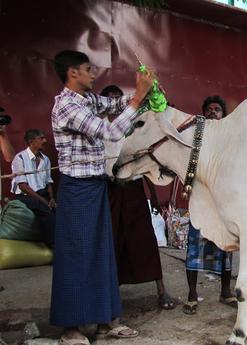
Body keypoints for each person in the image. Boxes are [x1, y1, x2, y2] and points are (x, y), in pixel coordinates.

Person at [50, 50, 153, 345]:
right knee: (76, 257)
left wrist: (142, 90)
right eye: (87, 69)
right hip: (76, 190)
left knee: (102, 254)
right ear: (72, 73)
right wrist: (136, 101)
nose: (93, 73)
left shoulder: (88, 100)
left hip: (95, 186)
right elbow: (108, 131)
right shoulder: (67, 106)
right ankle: (70, 329)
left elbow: (114, 104)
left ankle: (107, 320)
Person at [101, 84, 175, 310]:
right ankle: (110, 297)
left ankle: (161, 290)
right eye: (109, 98)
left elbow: (143, 159)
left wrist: (152, 194)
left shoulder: (132, 127)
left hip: (133, 190)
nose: (115, 102)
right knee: (112, 242)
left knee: (145, 240)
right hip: (110, 190)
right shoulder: (100, 128)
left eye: (117, 98)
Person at [183, 95, 237, 315]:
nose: (213, 112)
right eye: (209, 109)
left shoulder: (230, 137)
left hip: (223, 200)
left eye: (217, 109)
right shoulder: (195, 135)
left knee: (226, 247)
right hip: (201, 197)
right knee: (195, 247)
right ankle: (192, 294)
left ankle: (226, 292)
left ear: (223, 115)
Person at [10, 129, 55, 248]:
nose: (45, 141)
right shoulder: (19, 158)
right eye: (41, 138)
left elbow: (48, 181)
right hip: (26, 195)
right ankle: (53, 247)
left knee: (59, 210)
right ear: (31, 141)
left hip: (41, 194)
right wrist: (43, 201)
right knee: (46, 212)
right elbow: (23, 186)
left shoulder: (46, 159)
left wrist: (51, 199)